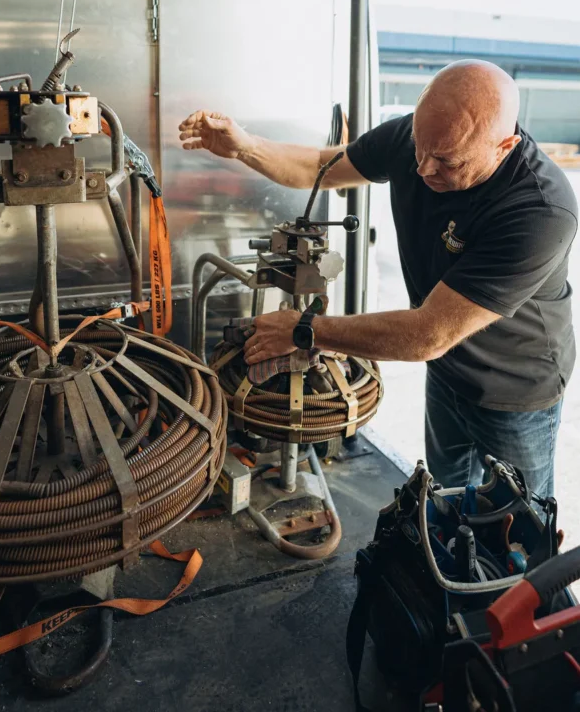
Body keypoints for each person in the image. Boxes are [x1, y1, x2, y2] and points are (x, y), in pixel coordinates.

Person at [179, 60, 578, 498]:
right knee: (445, 503)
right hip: (448, 374)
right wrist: (244, 147)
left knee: (514, 529)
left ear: (504, 146)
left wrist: (305, 331)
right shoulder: (417, 138)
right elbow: (318, 165)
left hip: (515, 390)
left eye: (446, 161)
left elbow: (429, 333)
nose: (423, 170)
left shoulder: (539, 210)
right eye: (419, 149)